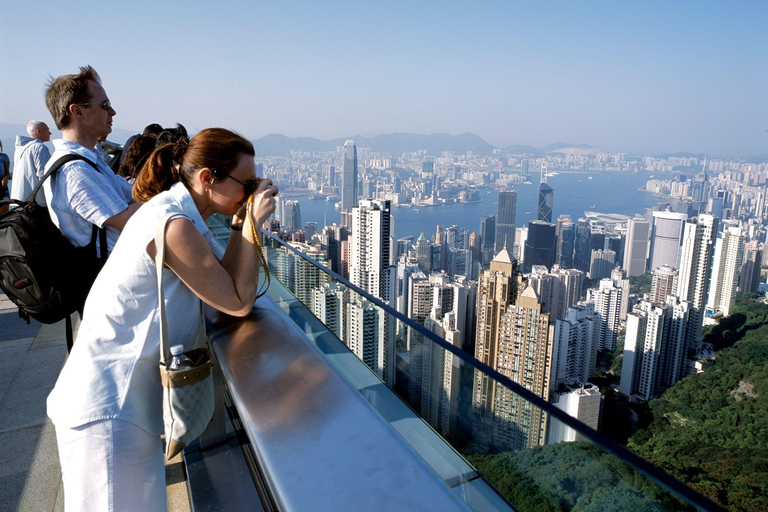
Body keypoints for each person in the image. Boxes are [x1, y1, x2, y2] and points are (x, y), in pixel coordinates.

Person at [47, 128, 279, 511]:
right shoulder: (174, 225)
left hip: (124, 406)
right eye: (247, 182)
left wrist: (241, 223)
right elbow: (237, 302)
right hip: (108, 410)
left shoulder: (178, 213)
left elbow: (227, 281)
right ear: (207, 179)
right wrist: (251, 223)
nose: (252, 191)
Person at [42, 65, 140, 257]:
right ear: (77, 112)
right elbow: (128, 219)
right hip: (108, 274)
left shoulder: (89, 160)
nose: (112, 111)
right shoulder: (75, 170)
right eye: (105, 105)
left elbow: (132, 193)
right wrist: (175, 193)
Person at [11, 120, 52, 203]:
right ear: (38, 131)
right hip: (36, 200)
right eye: (47, 130)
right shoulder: (40, 148)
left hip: (18, 197)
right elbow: (44, 174)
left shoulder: (20, 149)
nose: (50, 133)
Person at [0, 140, 9, 214]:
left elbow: (7, 172)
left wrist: (6, 177)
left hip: (2, 187)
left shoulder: (4, 157)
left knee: (4, 214)